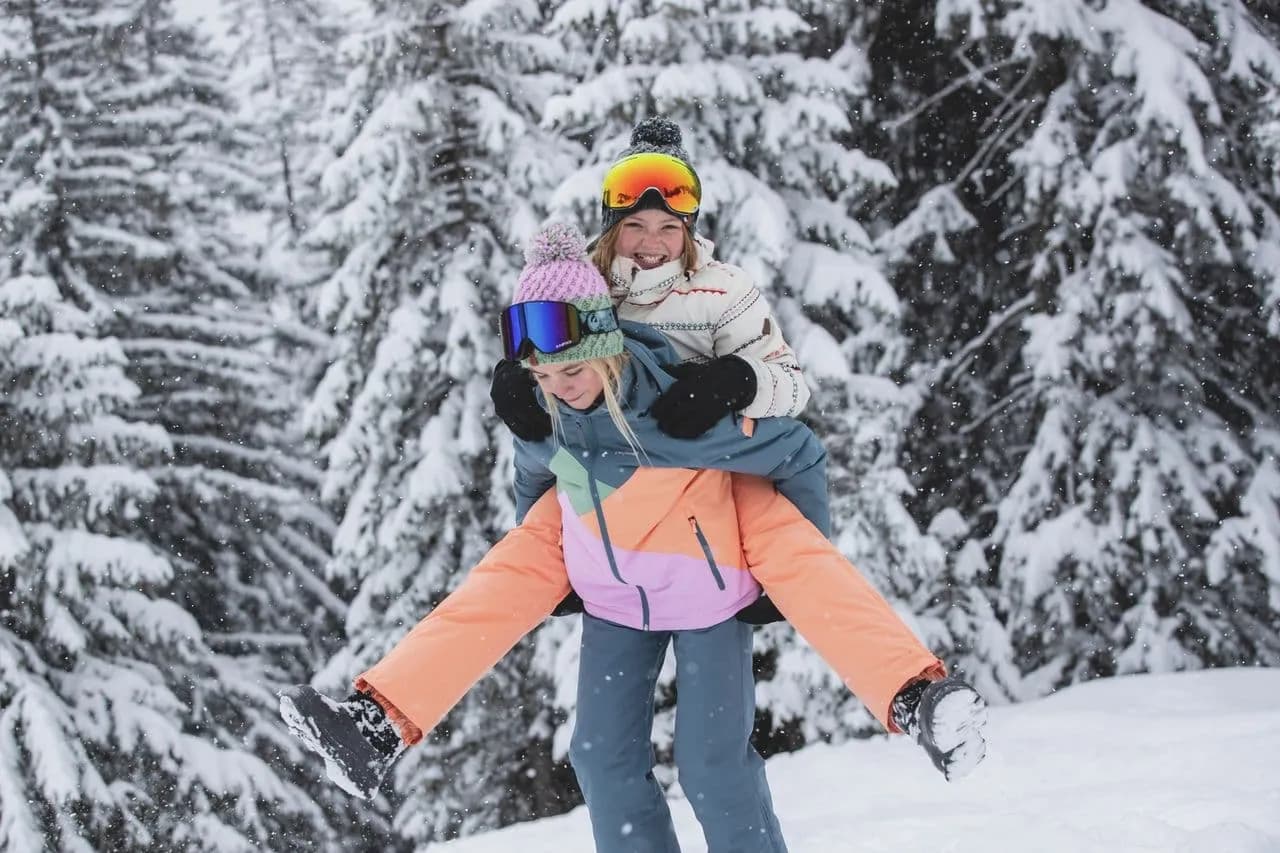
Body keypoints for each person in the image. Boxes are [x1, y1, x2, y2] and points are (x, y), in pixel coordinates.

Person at [280, 225, 988, 853]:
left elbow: (799, 452)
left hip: (710, 592)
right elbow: (538, 476)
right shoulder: (553, 412)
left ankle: (916, 696)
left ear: (606, 347)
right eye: (545, 377)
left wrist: (776, 569)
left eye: (575, 370)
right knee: (599, 756)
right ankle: (378, 724)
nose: (564, 388)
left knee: (715, 764)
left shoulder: (681, 412)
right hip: (616, 597)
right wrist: (540, 491)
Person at [490, 115, 810, 625]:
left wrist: (736, 381)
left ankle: (794, 577)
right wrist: (514, 380)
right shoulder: (586, 282)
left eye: (668, 227)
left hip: (699, 487)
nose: (650, 243)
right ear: (611, 228)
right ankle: (555, 567)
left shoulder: (724, 290)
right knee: (543, 471)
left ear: (689, 230)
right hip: (608, 482)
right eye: (634, 226)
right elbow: (539, 341)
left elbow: (794, 389)